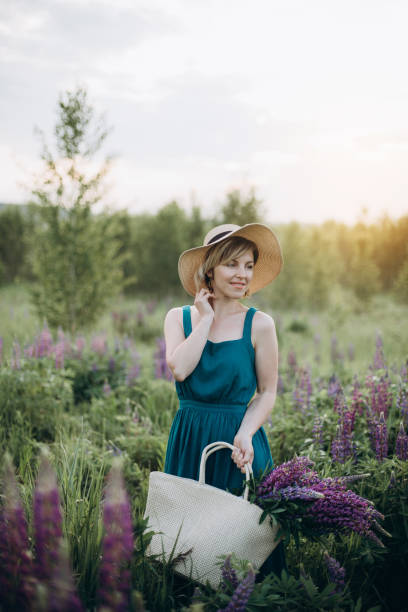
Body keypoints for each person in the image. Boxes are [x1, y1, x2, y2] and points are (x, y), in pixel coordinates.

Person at [163, 222, 286, 582]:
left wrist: (247, 433)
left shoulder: (260, 324)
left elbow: (267, 392)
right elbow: (181, 369)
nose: (242, 275)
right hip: (190, 439)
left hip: (239, 442)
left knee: (246, 553)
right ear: (210, 269)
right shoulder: (179, 318)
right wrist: (206, 320)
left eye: (248, 265)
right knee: (187, 552)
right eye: (232, 264)